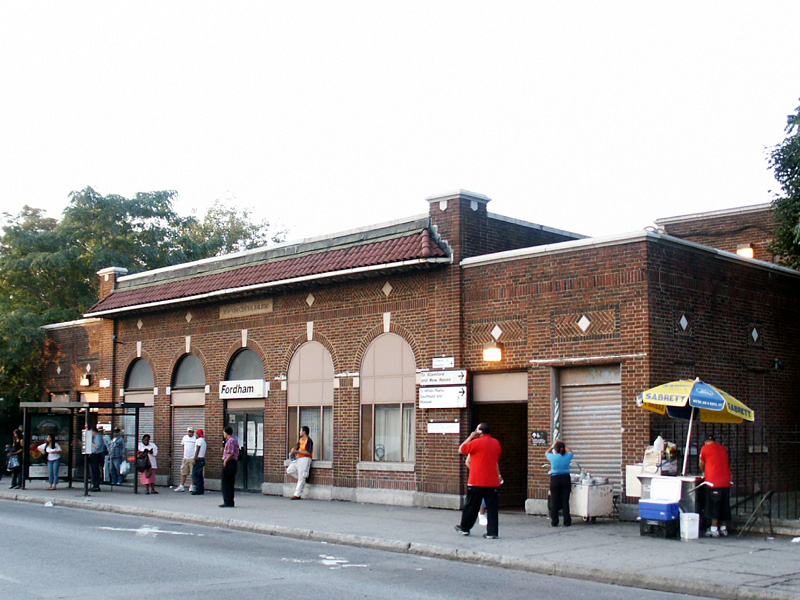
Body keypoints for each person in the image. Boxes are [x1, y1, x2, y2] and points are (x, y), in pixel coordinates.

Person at [455, 422, 502, 539]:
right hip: (492, 481)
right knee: (492, 508)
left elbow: (461, 449)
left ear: (479, 431)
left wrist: (471, 437)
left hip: (477, 481)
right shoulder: (496, 443)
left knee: (472, 505)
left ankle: (465, 527)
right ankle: (492, 532)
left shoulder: (476, 443)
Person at [699, 434, 731, 537]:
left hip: (713, 481)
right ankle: (724, 528)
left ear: (705, 442)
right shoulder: (722, 448)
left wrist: (704, 471)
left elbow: (701, 463)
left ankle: (714, 529)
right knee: (725, 505)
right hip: (726, 480)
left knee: (714, 505)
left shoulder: (705, 448)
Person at [546, 440, 574, 527]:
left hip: (555, 479)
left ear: (556, 449)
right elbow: (571, 451)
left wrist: (553, 446)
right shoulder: (568, 457)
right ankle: (567, 521)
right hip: (565, 479)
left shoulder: (552, 457)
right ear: (563, 449)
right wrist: (564, 446)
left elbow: (546, 452)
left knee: (554, 500)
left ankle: (554, 521)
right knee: (565, 501)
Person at [286, 425, 313, 500]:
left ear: (304, 432)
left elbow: (308, 452)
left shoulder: (309, 441)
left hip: (305, 459)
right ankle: (302, 479)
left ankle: (297, 494)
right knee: (289, 470)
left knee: (301, 476)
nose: (300, 432)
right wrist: (294, 450)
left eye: (301, 431)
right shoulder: (300, 440)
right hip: (298, 458)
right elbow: (297, 447)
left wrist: (297, 451)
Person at [220, 426, 239, 508]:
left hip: (229, 463)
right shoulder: (234, 440)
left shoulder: (230, 441)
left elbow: (231, 453)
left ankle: (227, 501)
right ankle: (230, 501)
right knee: (230, 483)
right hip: (233, 463)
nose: (223, 434)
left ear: (226, 433)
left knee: (226, 483)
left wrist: (225, 461)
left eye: (224, 433)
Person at [175, 427, 196, 492]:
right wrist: (184, 454)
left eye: (191, 432)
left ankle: (192, 485)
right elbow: (183, 445)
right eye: (189, 432)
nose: (190, 433)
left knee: (192, 473)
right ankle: (182, 485)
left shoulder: (195, 438)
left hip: (192, 457)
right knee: (184, 472)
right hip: (185, 457)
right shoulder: (185, 438)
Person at [90, 426, 106, 492]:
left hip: (97, 454)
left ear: (94, 432)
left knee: (95, 470)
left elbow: (97, 446)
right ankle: (94, 484)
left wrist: (90, 443)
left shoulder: (98, 437)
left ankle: (96, 485)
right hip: (93, 454)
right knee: (93, 471)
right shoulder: (95, 437)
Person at [191, 428, 206, 495]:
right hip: (202, 459)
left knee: (195, 475)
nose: (195, 435)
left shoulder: (199, 441)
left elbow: (197, 450)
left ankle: (198, 489)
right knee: (200, 475)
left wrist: (194, 459)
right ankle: (201, 489)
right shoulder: (203, 441)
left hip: (198, 459)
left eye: (196, 434)